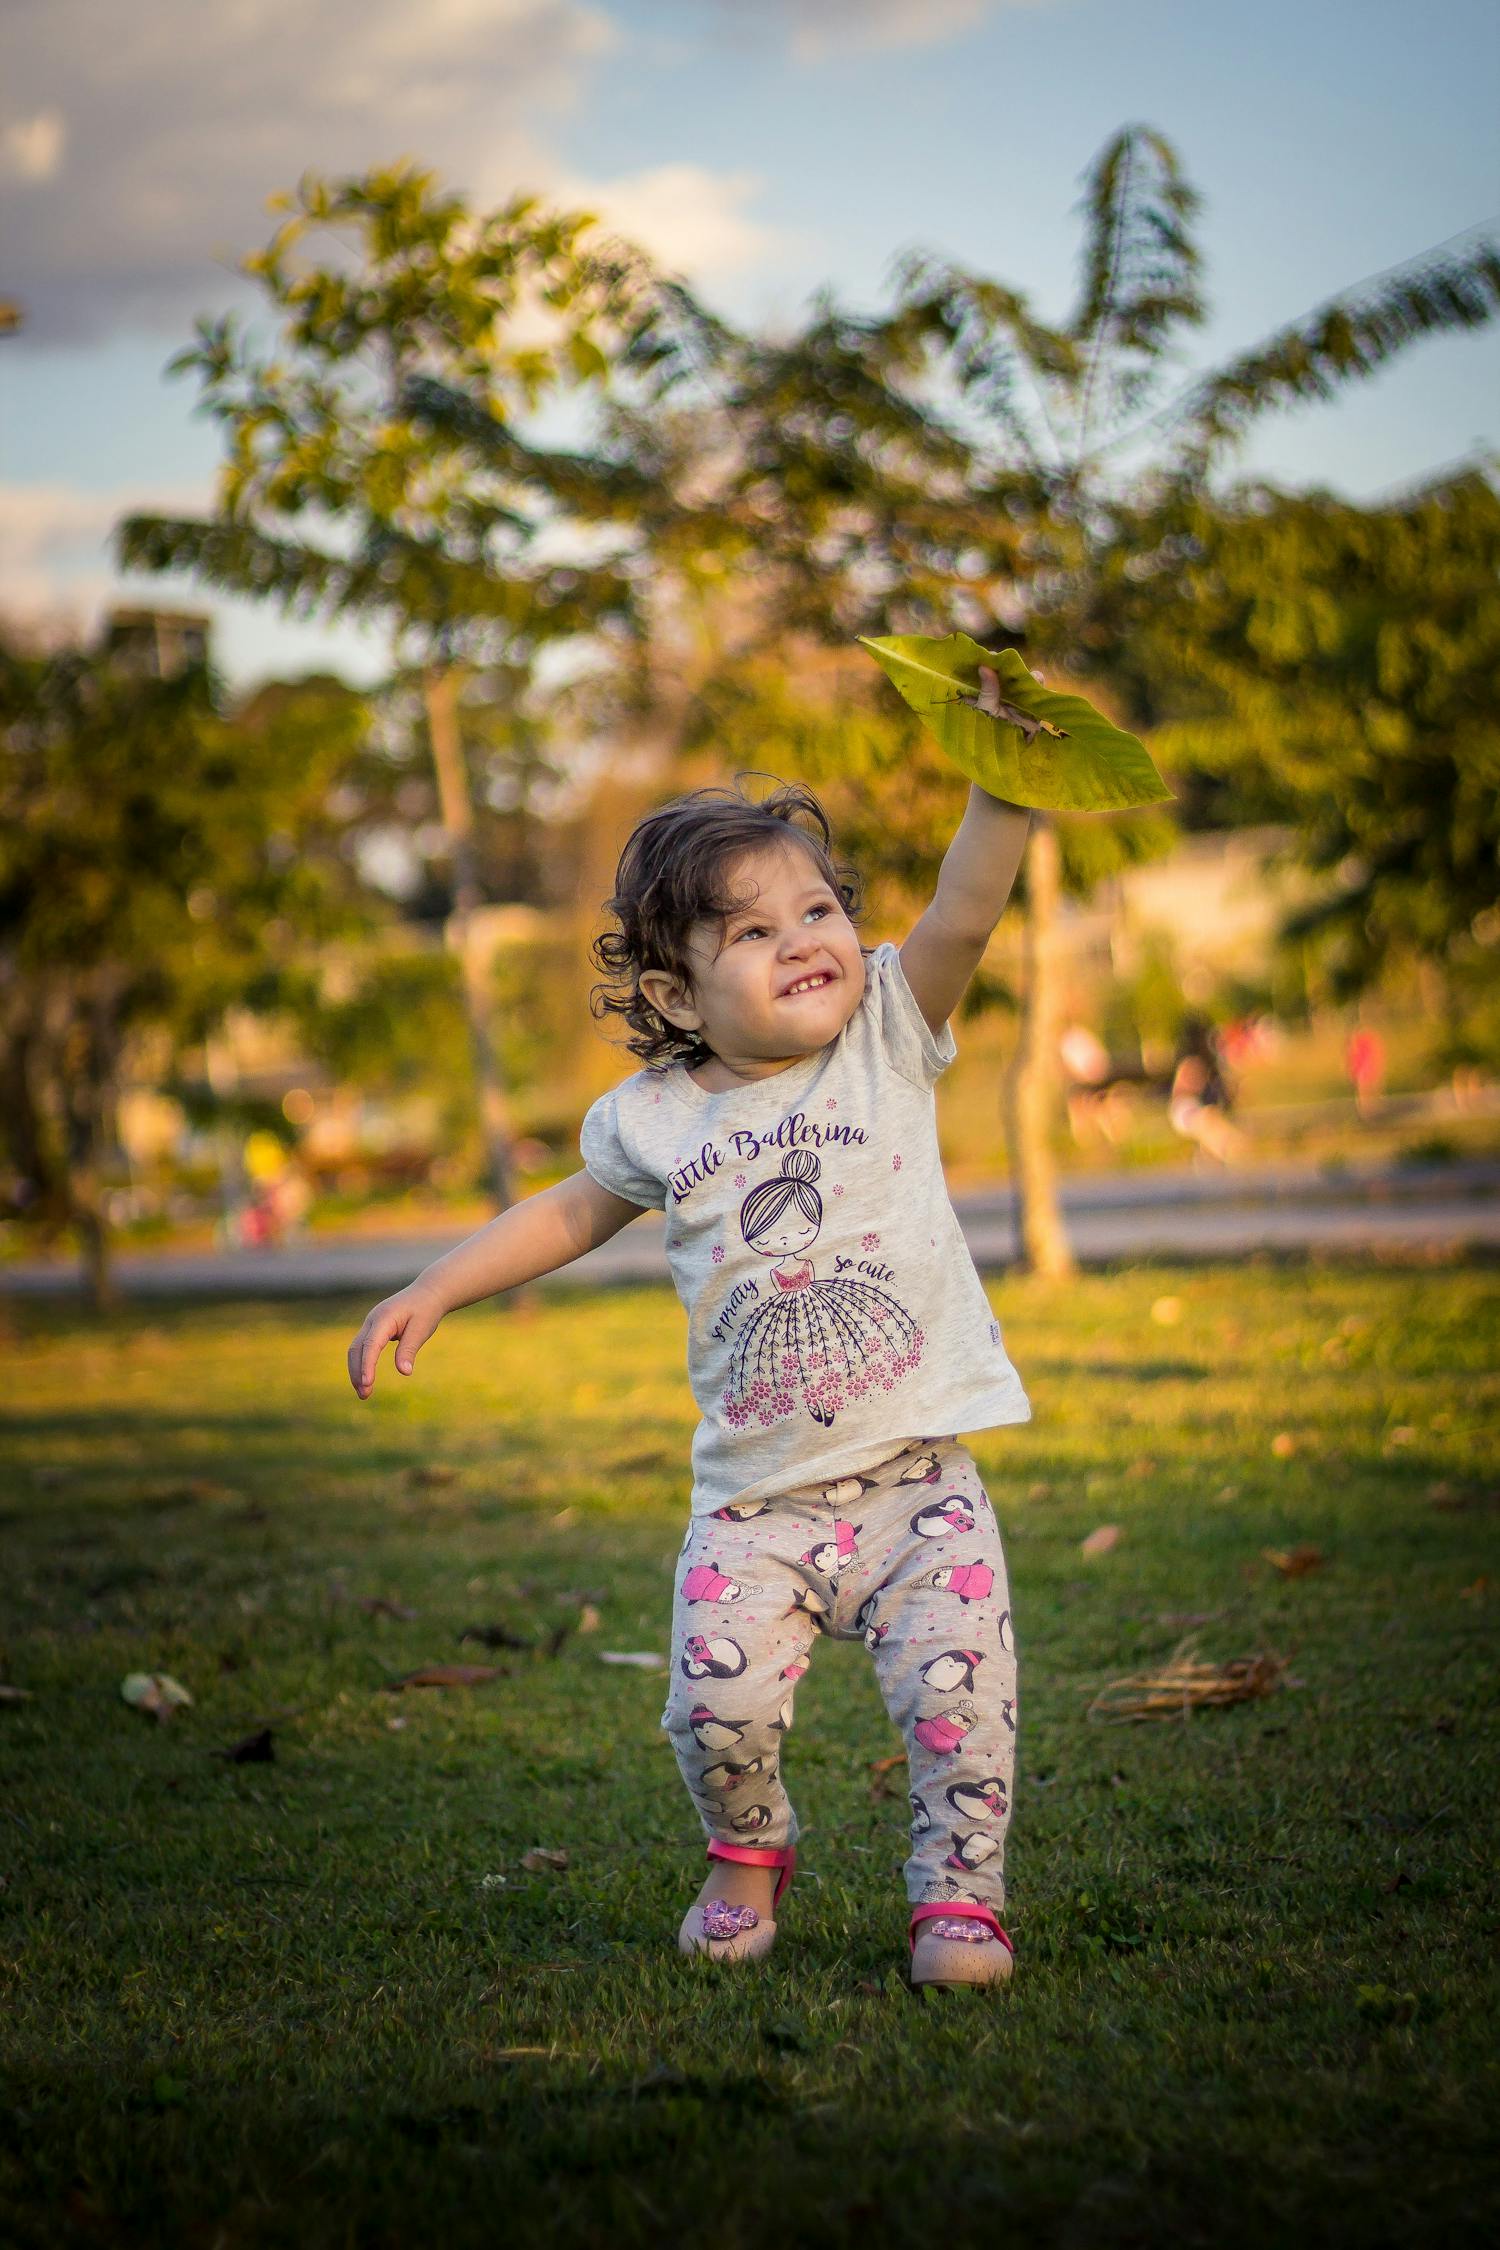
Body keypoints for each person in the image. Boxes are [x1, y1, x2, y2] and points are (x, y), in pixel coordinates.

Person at [347, 691, 1033, 1994]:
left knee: (964, 1704)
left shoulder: (888, 1035)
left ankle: (958, 1894)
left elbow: (963, 911)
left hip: (916, 1485)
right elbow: (562, 1214)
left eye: (819, 910)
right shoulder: (652, 1119)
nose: (807, 941)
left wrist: (1001, 791)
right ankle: (746, 1850)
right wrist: (437, 1284)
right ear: (676, 987)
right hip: (753, 1504)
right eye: (756, 931)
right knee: (714, 1713)